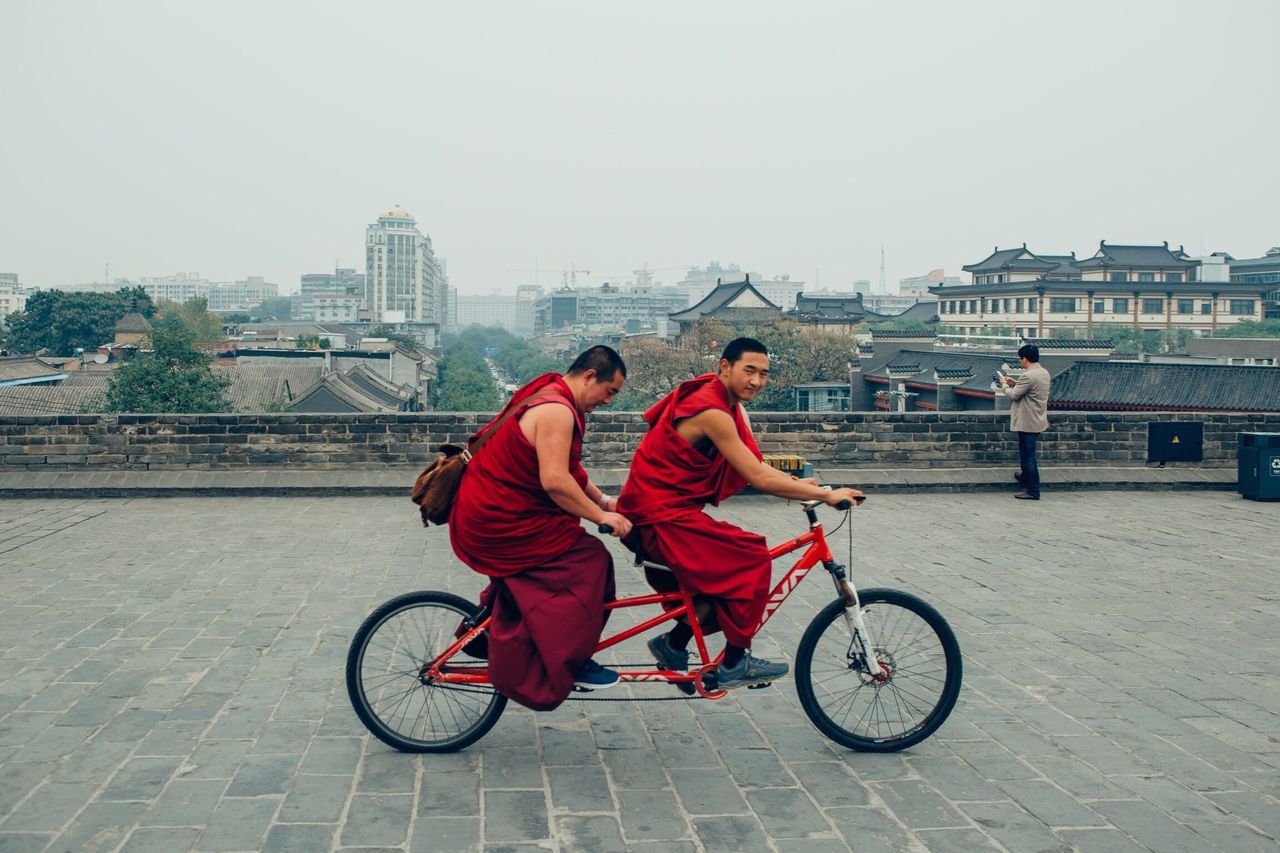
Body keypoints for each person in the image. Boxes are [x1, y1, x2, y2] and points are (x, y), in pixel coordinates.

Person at [618, 337, 863, 690]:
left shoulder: (724, 404)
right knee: (750, 558)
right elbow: (758, 476)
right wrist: (824, 495)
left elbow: (757, 465)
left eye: (764, 374)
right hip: (659, 517)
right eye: (749, 370)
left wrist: (808, 487)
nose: (757, 381)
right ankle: (735, 661)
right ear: (725, 367)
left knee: (721, 579)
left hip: (668, 512)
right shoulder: (712, 411)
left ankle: (673, 644)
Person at [449, 345, 633, 711]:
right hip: (496, 521)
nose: (609, 402)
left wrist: (604, 502)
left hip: (494, 510)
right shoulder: (557, 411)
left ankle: (485, 634)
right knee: (589, 561)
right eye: (609, 392)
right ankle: (570, 660)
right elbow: (555, 482)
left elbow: (570, 472)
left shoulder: (548, 390)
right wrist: (602, 519)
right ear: (590, 376)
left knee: (551, 567)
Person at [1000, 343, 1051, 500]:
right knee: (1026, 453)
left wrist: (1004, 386)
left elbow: (1013, 396)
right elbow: (1031, 389)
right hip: (1038, 419)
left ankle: (1033, 490)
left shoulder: (1028, 375)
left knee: (1028, 457)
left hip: (1027, 420)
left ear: (1025, 359)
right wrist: (1016, 383)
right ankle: (1025, 477)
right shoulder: (1043, 373)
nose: (1021, 362)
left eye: (1021, 359)